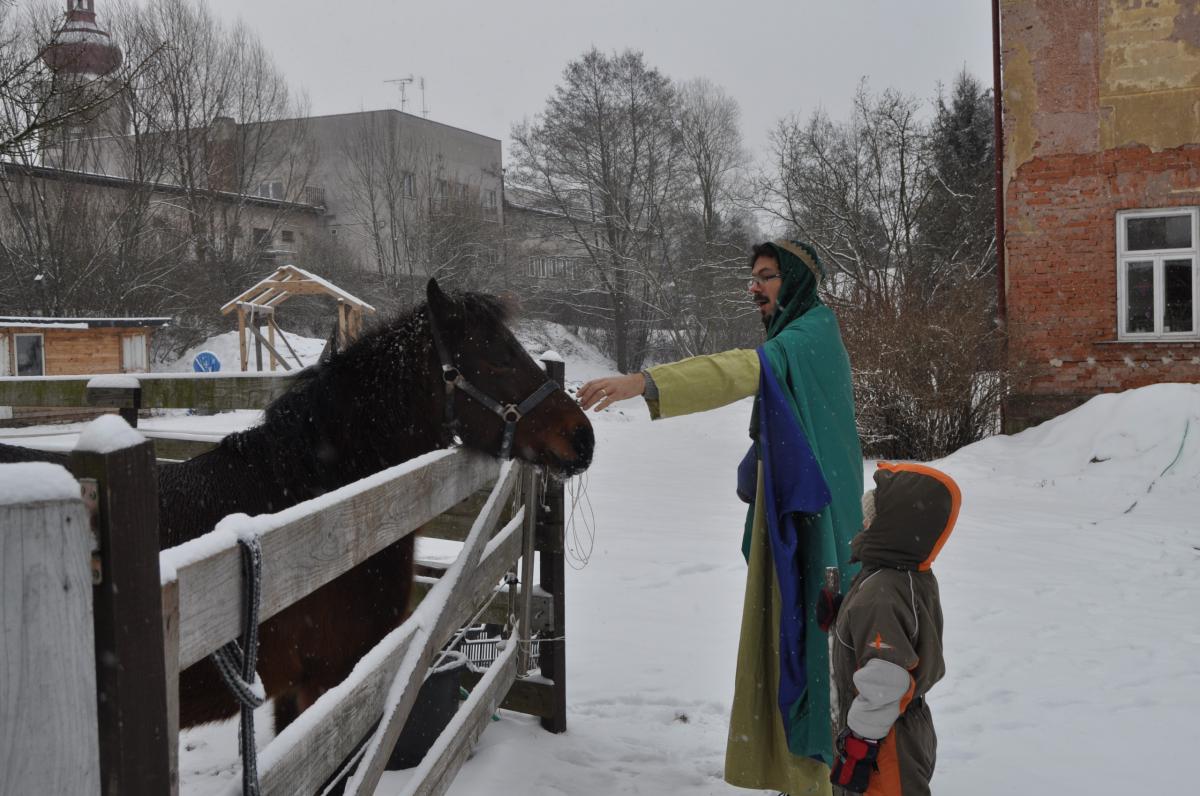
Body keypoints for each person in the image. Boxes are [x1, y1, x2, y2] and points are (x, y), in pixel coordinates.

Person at [579, 239, 863, 795]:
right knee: (792, 637)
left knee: (811, 642)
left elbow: (741, 370)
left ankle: (818, 779)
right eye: (751, 278)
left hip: (819, 526)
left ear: (797, 282)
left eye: (766, 276)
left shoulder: (810, 337)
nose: (754, 288)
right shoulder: (798, 335)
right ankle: (798, 776)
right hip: (797, 519)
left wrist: (645, 383)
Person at [827, 463, 960, 796]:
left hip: (884, 740)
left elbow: (885, 681)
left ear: (893, 527)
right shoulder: (902, 575)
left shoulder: (883, 592)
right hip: (894, 726)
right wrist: (842, 613)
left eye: (872, 519)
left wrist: (859, 747)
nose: (865, 524)